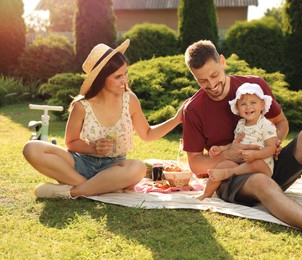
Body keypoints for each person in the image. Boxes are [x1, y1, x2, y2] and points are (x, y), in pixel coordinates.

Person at [182, 40, 302, 252]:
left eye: (214, 75)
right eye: (202, 80)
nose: (212, 85)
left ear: (222, 62)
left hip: (270, 162)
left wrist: (273, 143)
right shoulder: (193, 109)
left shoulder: (254, 86)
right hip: (231, 176)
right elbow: (195, 164)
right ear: (194, 77)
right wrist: (227, 154)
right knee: (260, 181)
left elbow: (281, 123)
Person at [22, 39, 183, 199]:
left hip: (114, 168)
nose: (125, 80)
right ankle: (100, 188)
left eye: (126, 73)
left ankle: (72, 192)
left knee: (138, 167)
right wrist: (93, 147)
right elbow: (70, 143)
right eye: (118, 76)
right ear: (101, 78)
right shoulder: (81, 106)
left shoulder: (130, 100)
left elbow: (147, 134)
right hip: (81, 164)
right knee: (31, 148)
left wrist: (177, 119)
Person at [196, 82, 277, 200]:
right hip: (241, 164)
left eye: (253, 102)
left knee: (256, 162)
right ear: (238, 109)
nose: (248, 107)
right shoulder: (240, 124)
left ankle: (229, 172)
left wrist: (256, 155)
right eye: (243, 104)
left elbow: (271, 148)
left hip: (262, 167)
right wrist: (222, 149)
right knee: (222, 165)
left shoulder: (266, 124)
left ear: (262, 104)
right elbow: (235, 144)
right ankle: (206, 194)